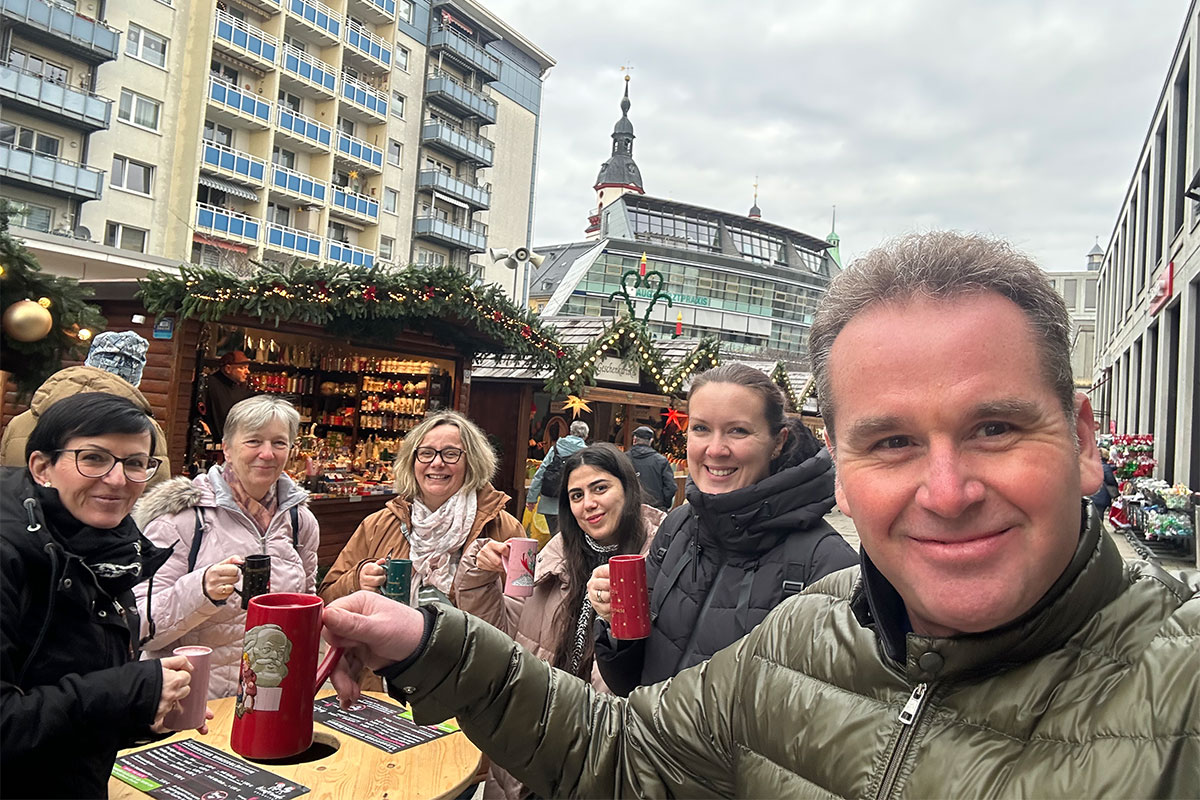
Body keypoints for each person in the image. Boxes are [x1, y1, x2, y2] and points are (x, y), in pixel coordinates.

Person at [320, 232, 1198, 799]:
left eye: (995, 428)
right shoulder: (803, 641)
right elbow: (621, 751)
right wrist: (432, 641)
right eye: (889, 443)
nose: (947, 489)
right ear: (843, 472)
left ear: (1084, 442)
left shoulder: (1177, 691)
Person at [588, 363, 857, 695]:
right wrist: (615, 622)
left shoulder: (830, 565)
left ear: (777, 441)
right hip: (646, 742)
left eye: (738, 431)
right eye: (701, 428)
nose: (715, 449)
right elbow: (628, 681)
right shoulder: (677, 527)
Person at [1, 393, 204, 799]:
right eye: (93, 458)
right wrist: (132, 691)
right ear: (42, 467)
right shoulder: (9, 555)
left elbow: (68, 696)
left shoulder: (109, 551)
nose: (117, 479)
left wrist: (145, 712)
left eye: (134, 463)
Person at [453, 443, 666, 800]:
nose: (589, 504)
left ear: (627, 488)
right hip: (534, 746)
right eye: (576, 495)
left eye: (600, 488)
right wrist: (479, 574)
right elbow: (502, 639)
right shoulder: (554, 554)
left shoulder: (662, 562)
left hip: (604, 757)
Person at [318, 411, 523, 687]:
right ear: (413, 461)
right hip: (384, 685)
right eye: (426, 453)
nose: (436, 463)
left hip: (467, 690)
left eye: (451, 454)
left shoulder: (503, 529)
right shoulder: (378, 524)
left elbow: (524, 623)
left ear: (471, 462)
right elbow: (328, 601)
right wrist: (358, 580)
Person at [133, 396, 319, 699]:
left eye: (279, 443)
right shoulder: (182, 519)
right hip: (189, 701)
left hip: (267, 700)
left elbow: (305, 611)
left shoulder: (300, 522)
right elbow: (142, 628)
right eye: (254, 441)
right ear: (227, 449)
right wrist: (201, 589)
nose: (267, 453)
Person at [0, 330, 172, 484]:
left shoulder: (20, 422)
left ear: (88, 362)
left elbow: (6, 485)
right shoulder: (145, 430)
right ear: (136, 378)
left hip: (24, 517)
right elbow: (153, 499)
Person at [525, 420, 589, 534]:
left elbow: (541, 472)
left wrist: (531, 499)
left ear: (570, 432)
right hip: (572, 504)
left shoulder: (555, 449)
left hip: (549, 503)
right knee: (569, 539)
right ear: (586, 436)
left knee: (555, 537)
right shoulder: (586, 454)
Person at [201, 350, 255, 442]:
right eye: (242, 368)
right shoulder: (209, 384)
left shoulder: (242, 389)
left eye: (247, 368)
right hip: (212, 443)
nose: (247, 372)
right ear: (228, 369)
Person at [626, 426, 677, 511]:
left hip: (630, 510)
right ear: (651, 441)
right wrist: (664, 505)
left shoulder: (623, 459)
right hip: (655, 510)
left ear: (634, 440)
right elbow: (670, 487)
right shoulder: (661, 461)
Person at [1090, 447, 1120, 515]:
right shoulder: (1105, 467)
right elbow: (1110, 480)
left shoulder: (1093, 465)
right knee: (1099, 516)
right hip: (1101, 496)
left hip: (1093, 495)